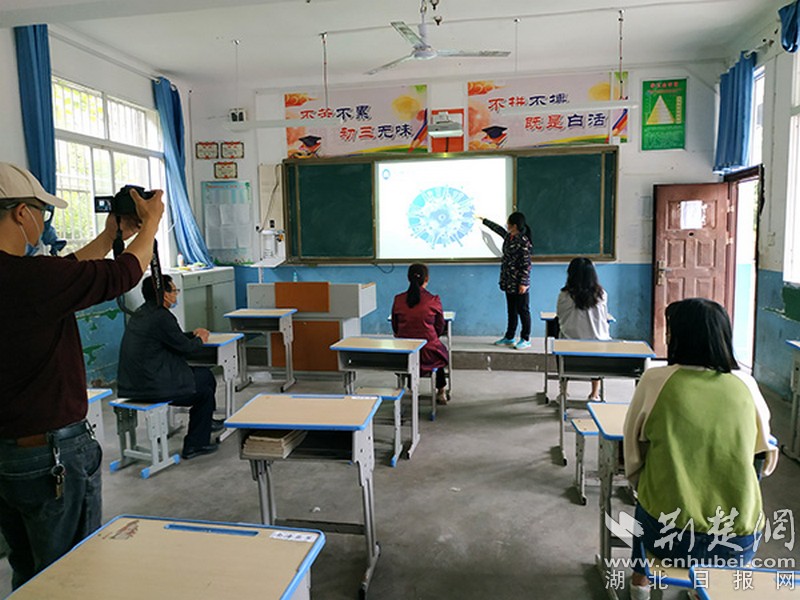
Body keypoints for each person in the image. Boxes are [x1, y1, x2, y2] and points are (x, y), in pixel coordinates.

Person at [0, 162, 164, 589]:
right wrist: (151, 224)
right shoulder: (30, 279)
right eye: (41, 212)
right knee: (71, 578)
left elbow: (66, 272)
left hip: (8, 456)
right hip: (50, 457)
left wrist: (112, 237)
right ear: (22, 213)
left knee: (29, 572)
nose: (42, 222)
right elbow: (123, 273)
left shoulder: (28, 279)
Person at [623, 298, 777, 600]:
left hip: (669, 535)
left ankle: (639, 584)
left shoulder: (655, 380)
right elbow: (765, 456)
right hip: (738, 540)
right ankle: (701, 590)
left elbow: (632, 453)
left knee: (648, 501)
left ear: (679, 336)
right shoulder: (746, 384)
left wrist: (645, 484)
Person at [117, 274, 222, 459]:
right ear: (165, 295)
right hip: (153, 386)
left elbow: (171, 338)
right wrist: (200, 339)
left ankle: (207, 423)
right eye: (174, 291)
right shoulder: (162, 316)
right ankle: (195, 445)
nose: (176, 295)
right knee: (205, 391)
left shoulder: (141, 313)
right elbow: (186, 349)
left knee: (205, 376)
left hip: (132, 384)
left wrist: (192, 334)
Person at [391, 263, 449, 404]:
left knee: (412, 356)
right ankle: (441, 390)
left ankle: (412, 387)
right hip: (428, 352)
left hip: (405, 353)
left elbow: (395, 327)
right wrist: (431, 337)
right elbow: (440, 326)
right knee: (439, 355)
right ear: (426, 279)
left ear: (408, 278)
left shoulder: (398, 299)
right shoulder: (433, 300)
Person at [556, 257, 613, 400]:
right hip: (598, 350)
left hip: (570, 352)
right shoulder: (601, 295)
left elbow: (560, 316)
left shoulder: (565, 295)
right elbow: (604, 317)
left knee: (560, 340)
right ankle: (594, 393)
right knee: (596, 352)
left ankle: (563, 392)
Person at [476, 212, 532, 350]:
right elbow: (498, 229)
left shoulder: (523, 241)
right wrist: (484, 220)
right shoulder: (509, 237)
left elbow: (526, 264)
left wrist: (523, 283)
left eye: (508, 223)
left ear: (514, 225)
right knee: (511, 310)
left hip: (519, 283)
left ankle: (525, 338)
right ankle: (509, 337)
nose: (506, 225)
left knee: (523, 310)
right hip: (508, 281)